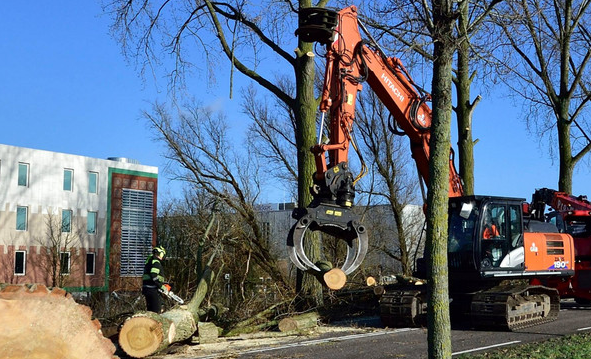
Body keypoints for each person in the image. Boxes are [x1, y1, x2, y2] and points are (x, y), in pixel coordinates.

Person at [142, 245, 168, 313]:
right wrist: (160, 285)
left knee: (150, 311)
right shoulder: (156, 262)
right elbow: (154, 275)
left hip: (146, 288)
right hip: (152, 289)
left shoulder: (150, 260)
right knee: (156, 311)